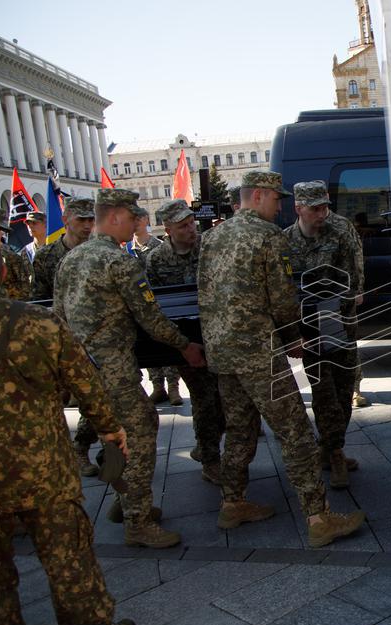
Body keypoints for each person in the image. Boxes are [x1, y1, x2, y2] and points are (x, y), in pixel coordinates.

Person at [0, 236, 136, 625]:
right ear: (1, 275)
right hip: (45, 472)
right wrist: (111, 432)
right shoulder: (41, 323)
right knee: (69, 559)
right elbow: (88, 384)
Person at [198, 170, 365, 544]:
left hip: (222, 353)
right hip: (259, 352)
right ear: (258, 196)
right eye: (277, 199)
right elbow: (283, 298)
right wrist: (293, 337)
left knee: (240, 431)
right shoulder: (268, 237)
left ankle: (232, 502)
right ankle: (319, 518)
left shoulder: (212, 237)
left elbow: (204, 295)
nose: (281, 207)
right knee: (296, 434)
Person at [54, 188, 206, 548]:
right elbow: (149, 318)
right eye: (134, 216)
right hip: (114, 369)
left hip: (83, 369)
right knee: (140, 430)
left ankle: (125, 503)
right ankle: (137, 520)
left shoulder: (71, 259)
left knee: (116, 433)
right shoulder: (118, 262)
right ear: (115, 217)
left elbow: (58, 318)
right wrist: (185, 345)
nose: (139, 222)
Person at [284, 181, 365, 489]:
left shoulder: (341, 230)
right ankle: (333, 452)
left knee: (344, 390)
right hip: (308, 327)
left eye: (325, 206)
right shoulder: (285, 242)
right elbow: (284, 289)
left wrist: (353, 296)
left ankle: (331, 445)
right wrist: (294, 331)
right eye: (315, 208)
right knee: (323, 392)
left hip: (339, 321)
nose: (322, 213)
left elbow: (354, 276)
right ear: (299, 209)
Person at [146, 199, 225, 485]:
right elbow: (154, 305)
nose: (191, 229)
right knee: (204, 399)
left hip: (218, 333)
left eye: (191, 223)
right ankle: (210, 458)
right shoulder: (156, 260)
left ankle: (206, 445)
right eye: (182, 226)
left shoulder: (210, 247)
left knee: (224, 399)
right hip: (186, 344)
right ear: (167, 229)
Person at [31, 197, 102, 475]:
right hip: (62, 339)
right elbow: (38, 300)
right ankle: (71, 451)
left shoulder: (100, 253)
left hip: (98, 337)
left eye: (90, 220)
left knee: (96, 398)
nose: (86, 226)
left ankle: (83, 449)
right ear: (65, 221)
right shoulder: (47, 257)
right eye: (80, 220)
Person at [132, 209, 181, 406]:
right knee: (148, 346)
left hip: (160, 304)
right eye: (132, 219)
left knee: (166, 345)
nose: (135, 223)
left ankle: (173, 387)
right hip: (139, 306)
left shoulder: (157, 247)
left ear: (146, 219)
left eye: (138, 218)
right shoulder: (127, 249)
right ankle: (157, 386)